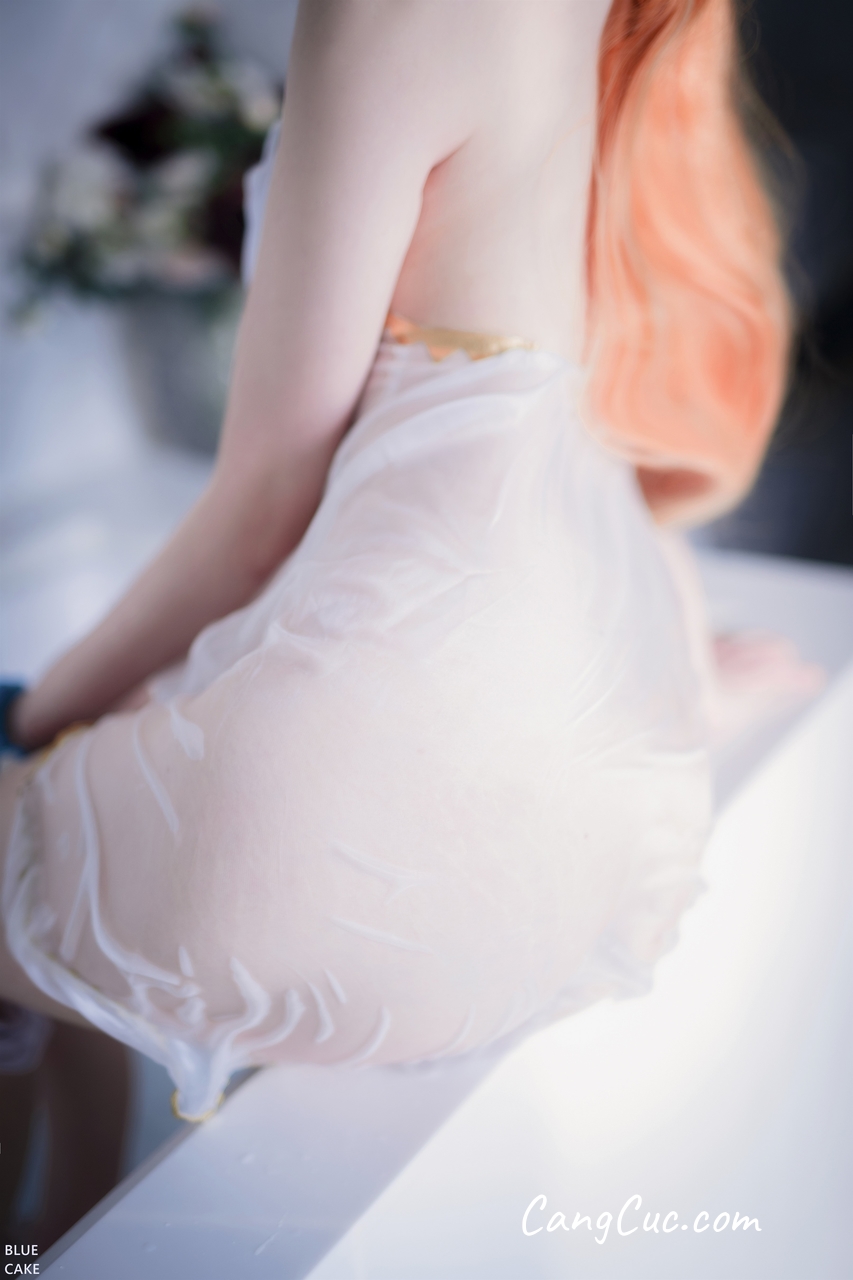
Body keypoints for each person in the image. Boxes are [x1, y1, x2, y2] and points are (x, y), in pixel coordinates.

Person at [1, 0, 791, 1127]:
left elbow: (261, 511)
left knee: (62, 795)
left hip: (334, 832)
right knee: (78, 840)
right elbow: (563, 447)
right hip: (583, 862)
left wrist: (27, 717)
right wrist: (689, 678)